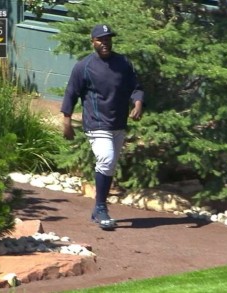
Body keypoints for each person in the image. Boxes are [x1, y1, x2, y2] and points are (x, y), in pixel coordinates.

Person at [61, 24, 144, 230]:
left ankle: (99, 209)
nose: (105, 43)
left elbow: (135, 87)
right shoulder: (84, 66)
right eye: (100, 39)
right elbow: (71, 93)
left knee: (109, 166)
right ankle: (100, 207)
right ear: (93, 42)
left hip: (118, 123)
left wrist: (138, 103)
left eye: (108, 39)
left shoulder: (123, 63)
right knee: (105, 159)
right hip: (96, 123)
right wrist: (66, 122)